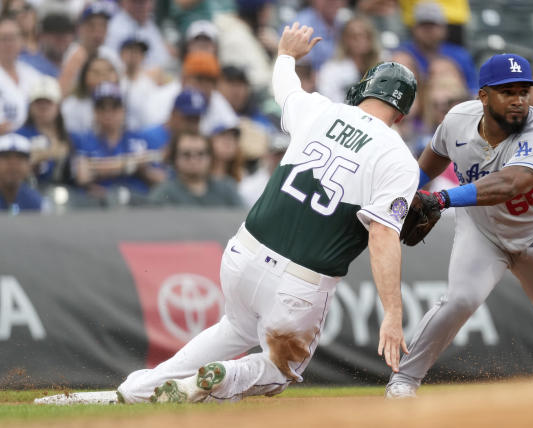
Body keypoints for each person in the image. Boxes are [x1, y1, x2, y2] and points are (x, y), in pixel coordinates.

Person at [35, 22, 420, 405]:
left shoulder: (320, 109)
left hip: (243, 255)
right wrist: (392, 313)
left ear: (366, 88)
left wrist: (286, 54)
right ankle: (222, 376)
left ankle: (131, 394)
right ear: (401, 115)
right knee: (279, 370)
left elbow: (284, 87)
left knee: (234, 328)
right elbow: (383, 235)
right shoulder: (397, 158)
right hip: (300, 283)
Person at [385, 53, 533, 399]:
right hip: (483, 233)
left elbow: (511, 183)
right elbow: (432, 159)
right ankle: (403, 382)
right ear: (483, 96)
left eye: (523, 92)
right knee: (459, 299)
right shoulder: (458, 120)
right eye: (508, 92)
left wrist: (440, 199)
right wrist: (403, 195)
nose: (519, 100)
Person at [148, 132, 243, 207]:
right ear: (174, 158)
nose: (194, 160)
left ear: (210, 157)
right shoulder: (163, 194)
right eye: (186, 154)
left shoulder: (226, 189)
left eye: (200, 154)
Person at [0, 16, 44, 133]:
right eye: (4, 39)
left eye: (13, 38)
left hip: (30, 142)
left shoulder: (33, 75)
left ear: (21, 41)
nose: (8, 44)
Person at [0, 133, 43, 213]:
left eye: (20, 159)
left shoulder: (34, 199)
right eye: (6, 158)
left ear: (29, 165)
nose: (13, 165)